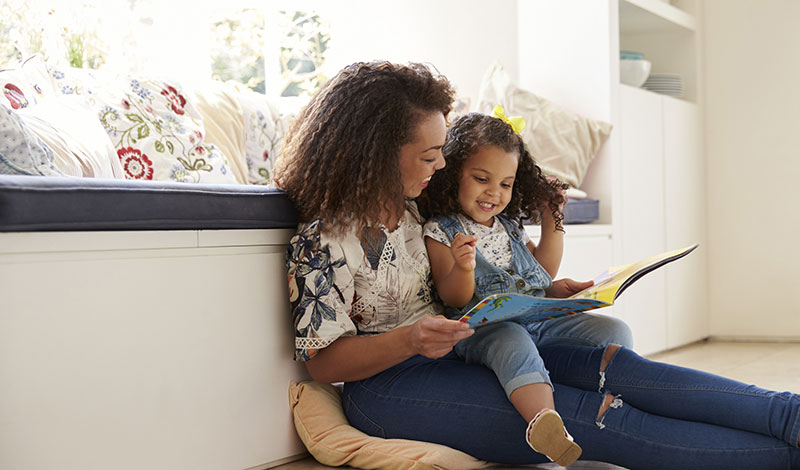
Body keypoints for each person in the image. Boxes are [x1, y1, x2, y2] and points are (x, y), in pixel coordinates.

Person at [275, 60, 800, 469]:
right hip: (392, 388)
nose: (441, 165)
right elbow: (323, 363)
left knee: (620, 366)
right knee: (594, 418)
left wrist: (546, 294)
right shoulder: (319, 243)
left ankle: (790, 414)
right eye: (429, 154)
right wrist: (410, 340)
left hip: (471, 349)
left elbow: (495, 261)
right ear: (377, 152)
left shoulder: (425, 212)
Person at [417, 109, 582, 466]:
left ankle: (587, 379)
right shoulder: (442, 230)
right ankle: (545, 422)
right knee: (511, 339)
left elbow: (541, 271)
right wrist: (463, 267)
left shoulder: (507, 227)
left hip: (534, 319)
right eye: (481, 179)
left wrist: (553, 218)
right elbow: (453, 297)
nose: (494, 192)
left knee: (610, 328)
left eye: (506, 184)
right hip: (483, 331)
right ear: (453, 174)